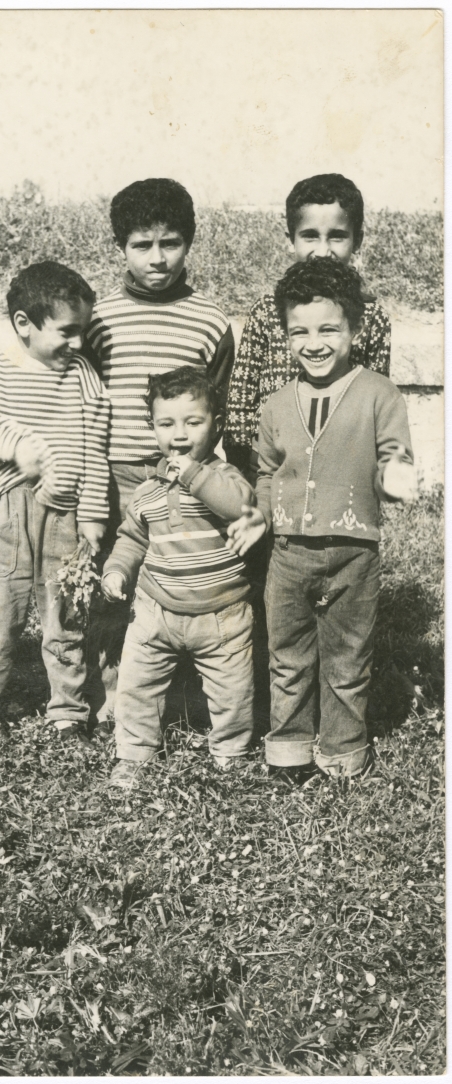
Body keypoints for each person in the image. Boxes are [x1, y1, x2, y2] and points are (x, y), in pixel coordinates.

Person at [227, 258, 417, 782]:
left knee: (347, 657)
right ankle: (288, 748)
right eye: (299, 332)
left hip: (355, 552)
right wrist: (260, 516)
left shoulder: (380, 393)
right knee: (287, 654)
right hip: (289, 555)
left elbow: (393, 454)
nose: (314, 342)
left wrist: (396, 474)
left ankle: (342, 751)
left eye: (329, 329)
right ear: (285, 336)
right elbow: (267, 474)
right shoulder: (274, 405)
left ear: (354, 329)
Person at [85, 178, 236, 721]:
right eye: (141, 245)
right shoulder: (98, 318)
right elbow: (85, 394)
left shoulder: (211, 320)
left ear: (188, 243)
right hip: (114, 472)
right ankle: (116, 692)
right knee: (115, 576)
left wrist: (192, 469)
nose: (157, 258)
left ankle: (185, 687)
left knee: (180, 574)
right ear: (121, 247)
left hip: (182, 474)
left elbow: (216, 409)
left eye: (169, 243)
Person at [0, 261, 110, 746]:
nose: (78, 343)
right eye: (67, 331)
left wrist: (92, 513)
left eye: (82, 331)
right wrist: (13, 446)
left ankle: (67, 711)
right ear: (25, 324)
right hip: (10, 507)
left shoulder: (83, 375)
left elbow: (94, 447)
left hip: (65, 511)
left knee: (64, 612)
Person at [101, 367, 256, 789]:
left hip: (221, 613)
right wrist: (116, 570)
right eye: (166, 423)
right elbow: (132, 538)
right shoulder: (148, 489)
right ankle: (134, 753)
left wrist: (191, 473)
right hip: (156, 610)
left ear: (217, 427)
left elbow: (237, 506)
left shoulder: (224, 477)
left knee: (232, 692)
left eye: (194, 422)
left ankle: (230, 753)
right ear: (152, 427)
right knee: (137, 684)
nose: (180, 434)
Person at [224, 172, 391, 482]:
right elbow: (241, 397)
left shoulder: (372, 317)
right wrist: (242, 464)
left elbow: (377, 396)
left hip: (339, 467)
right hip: (269, 466)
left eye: (337, 236)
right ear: (291, 239)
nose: (323, 250)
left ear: (358, 240)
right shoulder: (266, 311)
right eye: (310, 235)